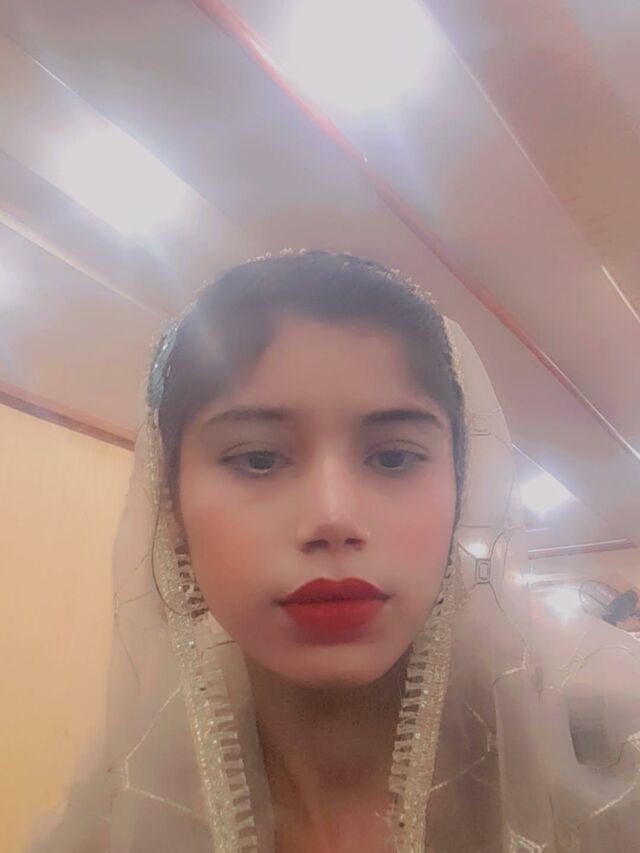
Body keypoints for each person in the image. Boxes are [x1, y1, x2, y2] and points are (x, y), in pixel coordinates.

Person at [28, 251, 640, 851]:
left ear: (460, 488)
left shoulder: (610, 772)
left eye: (393, 457)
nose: (333, 517)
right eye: (258, 458)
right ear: (172, 505)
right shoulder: (112, 828)